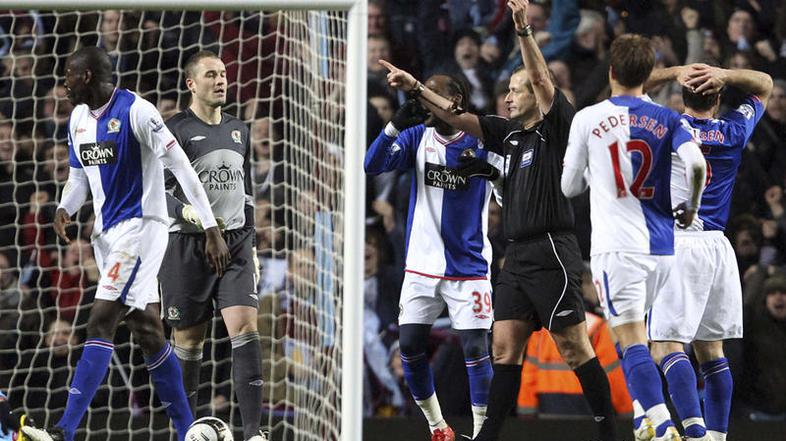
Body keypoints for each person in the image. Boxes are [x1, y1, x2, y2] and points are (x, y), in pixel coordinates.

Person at [381, 1, 619, 440]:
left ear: (536, 96)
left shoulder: (556, 127)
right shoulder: (506, 135)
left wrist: (524, 31)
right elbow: (453, 115)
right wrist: (415, 87)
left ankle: (608, 433)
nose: (508, 96)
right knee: (504, 348)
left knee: (573, 347)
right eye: (508, 90)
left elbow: (544, 79)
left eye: (516, 90)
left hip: (552, 249)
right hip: (517, 256)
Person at [22, 46, 230, 441]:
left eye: (68, 75)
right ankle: (189, 431)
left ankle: (63, 431)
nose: (63, 83)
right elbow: (79, 176)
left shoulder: (138, 111)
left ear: (86, 77)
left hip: (141, 230)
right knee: (149, 330)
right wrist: (66, 207)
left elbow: (180, 166)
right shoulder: (78, 119)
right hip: (106, 235)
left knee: (100, 319)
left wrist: (211, 228)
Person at [561, 34, 707, 441]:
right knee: (654, 340)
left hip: (617, 248)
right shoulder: (669, 118)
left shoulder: (588, 118)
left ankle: (663, 426)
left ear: (611, 72)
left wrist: (594, 173)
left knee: (629, 338)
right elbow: (696, 165)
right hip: (662, 247)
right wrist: (691, 207)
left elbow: (569, 187)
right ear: (648, 76)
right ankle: (660, 420)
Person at [364, 73, 498, 441]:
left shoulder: (484, 138)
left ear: (457, 100)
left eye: (435, 94)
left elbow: (510, 190)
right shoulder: (417, 136)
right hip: (421, 266)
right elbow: (371, 165)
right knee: (408, 346)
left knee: (474, 346)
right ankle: (438, 426)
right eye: (425, 95)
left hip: (468, 266)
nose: (427, 101)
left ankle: (484, 430)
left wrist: (492, 173)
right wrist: (392, 126)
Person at [645, 63, 773, 441]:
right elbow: (765, 84)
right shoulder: (733, 130)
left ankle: (695, 431)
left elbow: (631, 82)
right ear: (717, 99)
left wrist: (677, 70)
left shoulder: (665, 126)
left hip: (678, 242)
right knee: (712, 351)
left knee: (665, 346)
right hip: (718, 247)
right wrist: (724, 73)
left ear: (680, 96)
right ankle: (717, 437)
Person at [158, 50, 267, 441]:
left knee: (247, 328)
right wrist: (201, 223)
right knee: (188, 343)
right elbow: (159, 193)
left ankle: (254, 433)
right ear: (191, 83)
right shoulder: (174, 130)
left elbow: (247, 191)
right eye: (210, 75)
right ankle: (183, 433)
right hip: (188, 246)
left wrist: (251, 243)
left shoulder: (240, 128)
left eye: (223, 73)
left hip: (236, 242)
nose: (221, 80)